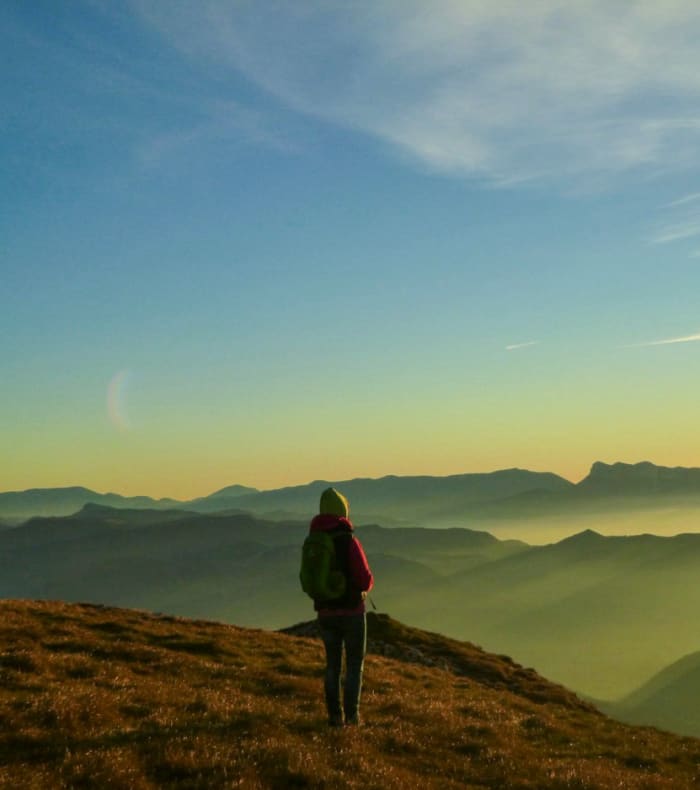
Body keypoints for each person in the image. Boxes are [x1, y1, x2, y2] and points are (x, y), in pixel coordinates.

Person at [309, 487, 373, 727]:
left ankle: (334, 717)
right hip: (352, 613)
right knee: (354, 665)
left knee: (332, 666)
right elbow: (365, 578)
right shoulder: (348, 541)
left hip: (325, 612)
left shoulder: (314, 540)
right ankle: (352, 718)